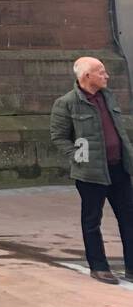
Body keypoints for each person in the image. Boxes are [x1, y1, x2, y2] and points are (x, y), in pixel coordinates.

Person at [49, 57, 133, 284]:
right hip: (90, 172)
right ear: (87, 76)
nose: (106, 76)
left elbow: (118, 130)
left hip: (118, 169)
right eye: (101, 72)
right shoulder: (66, 103)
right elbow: (59, 137)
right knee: (92, 220)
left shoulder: (108, 97)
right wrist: (79, 157)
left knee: (128, 218)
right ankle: (99, 267)